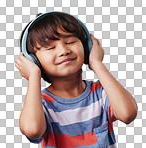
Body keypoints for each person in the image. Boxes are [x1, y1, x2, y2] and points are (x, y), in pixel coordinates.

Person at [15, 12, 138, 148]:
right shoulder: (40, 103)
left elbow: (128, 113)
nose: (64, 50)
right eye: (50, 48)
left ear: (87, 46)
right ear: (34, 61)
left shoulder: (101, 93)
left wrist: (97, 64)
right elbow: (32, 130)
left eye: (70, 42)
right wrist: (33, 76)